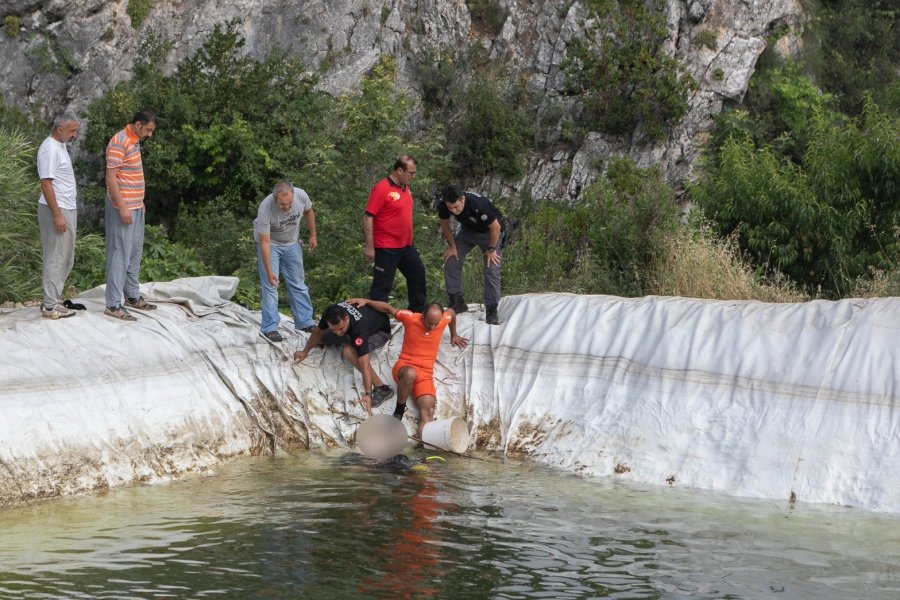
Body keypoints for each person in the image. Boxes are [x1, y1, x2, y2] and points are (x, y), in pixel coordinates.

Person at [348, 298, 468, 440]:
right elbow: (388, 308)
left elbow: (452, 313)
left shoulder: (443, 319)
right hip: (405, 367)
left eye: (436, 323)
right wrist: (366, 301)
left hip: (425, 374)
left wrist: (453, 334)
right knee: (410, 373)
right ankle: (399, 411)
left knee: (428, 411)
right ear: (423, 315)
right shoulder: (411, 318)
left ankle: (425, 452)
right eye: (429, 322)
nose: (432, 326)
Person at [103, 109, 158, 321]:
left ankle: (132, 296)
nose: (150, 134)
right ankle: (113, 304)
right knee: (120, 253)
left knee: (134, 251)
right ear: (137, 124)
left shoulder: (134, 141)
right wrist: (123, 206)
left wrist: (139, 202)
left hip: (136, 206)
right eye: (148, 130)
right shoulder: (119, 141)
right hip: (122, 208)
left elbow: (130, 174)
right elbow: (111, 177)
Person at [294, 301, 395, 414]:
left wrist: (367, 393)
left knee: (348, 351)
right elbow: (318, 331)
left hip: (379, 332)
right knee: (320, 338)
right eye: (333, 329)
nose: (337, 332)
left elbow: (365, 365)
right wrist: (305, 351)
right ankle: (341, 334)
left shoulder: (359, 330)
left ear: (346, 319)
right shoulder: (330, 312)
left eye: (341, 328)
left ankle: (382, 388)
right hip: (358, 325)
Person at [254, 182, 318, 342]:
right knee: (270, 286)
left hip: (292, 243)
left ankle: (305, 322)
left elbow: (309, 211)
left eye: (290, 203)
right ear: (275, 199)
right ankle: (269, 328)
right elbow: (265, 243)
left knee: (298, 283)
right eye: (283, 204)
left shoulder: (301, 195)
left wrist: (313, 235)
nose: (287, 206)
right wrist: (269, 272)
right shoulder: (265, 208)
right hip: (271, 245)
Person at [363, 155, 426, 313]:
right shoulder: (382, 188)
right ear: (399, 170)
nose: (413, 176)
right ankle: (376, 323)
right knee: (382, 287)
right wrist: (370, 246)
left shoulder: (405, 187)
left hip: (406, 245)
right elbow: (368, 216)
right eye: (410, 173)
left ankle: (416, 315)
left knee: (417, 274)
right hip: (386, 246)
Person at [439, 185, 505, 325]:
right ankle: (457, 301)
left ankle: (491, 309)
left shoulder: (478, 205)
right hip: (468, 231)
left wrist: (491, 249)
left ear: (462, 199)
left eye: (456, 207)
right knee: (451, 260)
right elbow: (444, 224)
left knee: (491, 267)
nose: (454, 211)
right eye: (450, 208)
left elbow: (496, 227)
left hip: (491, 233)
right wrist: (452, 246)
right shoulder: (444, 203)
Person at [36, 112, 80, 320]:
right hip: (57, 209)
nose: (75, 135)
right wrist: (57, 214)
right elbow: (46, 183)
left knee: (65, 257)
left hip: (66, 208)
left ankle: (53, 299)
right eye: (72, 131)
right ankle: (49, 305)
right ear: (60, 129)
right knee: (56, 257)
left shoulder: (60, 146)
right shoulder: (49, 149)